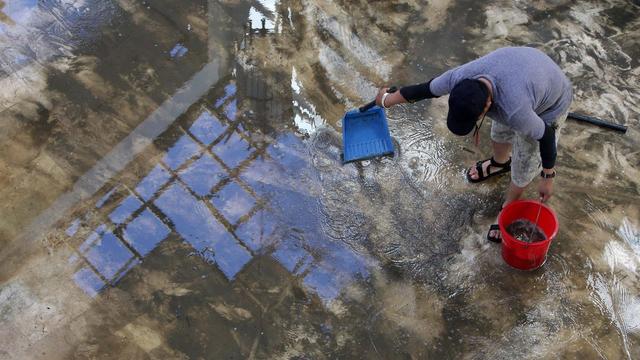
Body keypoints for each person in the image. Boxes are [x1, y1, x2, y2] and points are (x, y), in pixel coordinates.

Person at [375, 47, 572, 242]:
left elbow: (546, 136)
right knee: (499, 132)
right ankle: (500, 163)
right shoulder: (459, 77)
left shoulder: (516, 111)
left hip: (551, 101)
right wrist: (387, 99)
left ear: (486, 107)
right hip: (525, 71)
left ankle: (509, 204)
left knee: (525, 162)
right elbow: (426, 89)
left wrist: (548, 177)